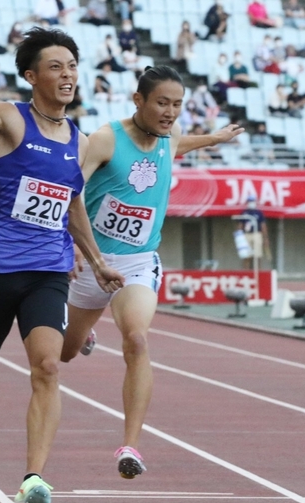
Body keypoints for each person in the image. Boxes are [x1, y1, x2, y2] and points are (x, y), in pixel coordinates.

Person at [0, 16, 125, 503]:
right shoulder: (8, 119)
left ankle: (34, 478)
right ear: (31, 76)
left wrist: (95, 260)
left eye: (73, 67)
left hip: (48, 271)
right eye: (55, 66)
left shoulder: (79, 142)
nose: (67, 75)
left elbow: (73, 204)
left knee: (46, 367)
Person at [61, 65, 243, 480]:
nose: (170, 112)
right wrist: (70, 244)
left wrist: (215, 138)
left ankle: (131, 445)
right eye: (162, 102)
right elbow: (71, 190)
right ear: (138, 100)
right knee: (64, 353)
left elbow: (179, 144)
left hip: (138, 262)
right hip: (93, 260)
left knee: (137, 339)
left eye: (177, 105)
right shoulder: (105, 139)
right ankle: (84, 332)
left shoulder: (170, 136)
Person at [237, 195, 270, 269]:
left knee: (257, 255)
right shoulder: (244, 212)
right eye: (249, 201)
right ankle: (246, 273)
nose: (251, 203)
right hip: (247, 234)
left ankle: (258, 273)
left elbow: (263, 225)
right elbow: (240, 224)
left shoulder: (259, 213)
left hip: (257, 234)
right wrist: (239, 236)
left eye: (252, 201)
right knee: (246, 255)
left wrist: (265, 238)